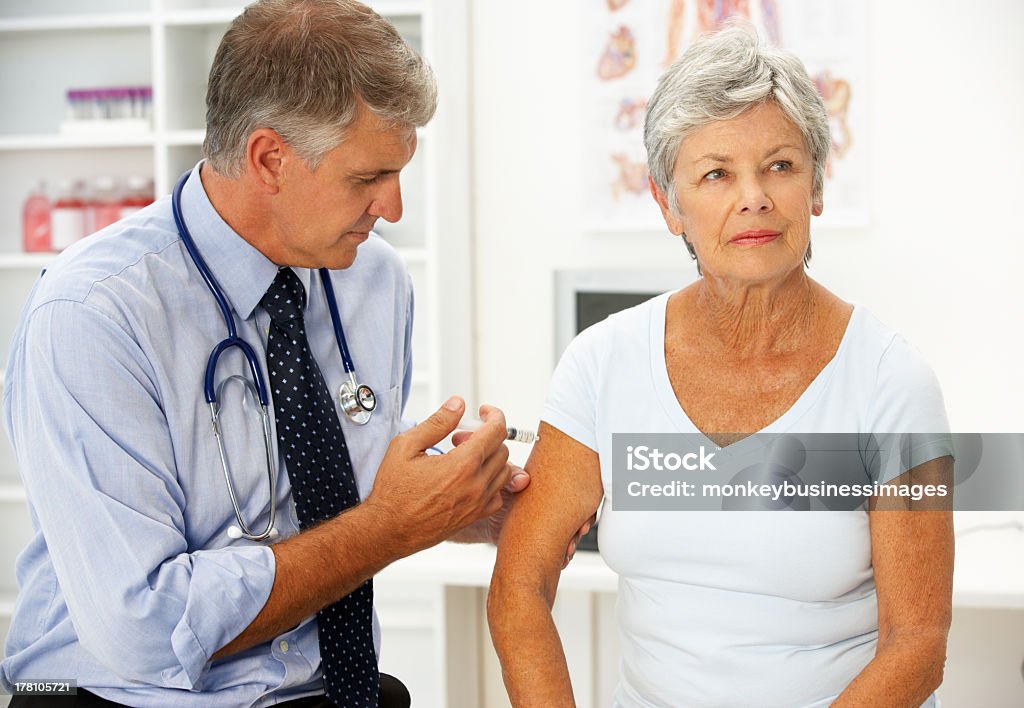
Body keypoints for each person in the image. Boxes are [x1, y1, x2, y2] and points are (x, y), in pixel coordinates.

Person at [1, 1, 586, 706]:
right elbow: (143, 629)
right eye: (367, 179)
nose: (393, 208)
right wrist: (387, 529)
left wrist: (461, 500)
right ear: (269, 159)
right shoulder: (95, 313)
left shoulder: (373, 279)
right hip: (126, 694)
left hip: (321, 689)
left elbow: (335, 491)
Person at [488, 23, 954, 708]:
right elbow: (519, 588)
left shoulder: (893, 384)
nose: (753, 197)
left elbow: (918, 646)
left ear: (816, 188)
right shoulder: (601, 363)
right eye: (715, 174)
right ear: (668, 204)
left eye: (781, 166)